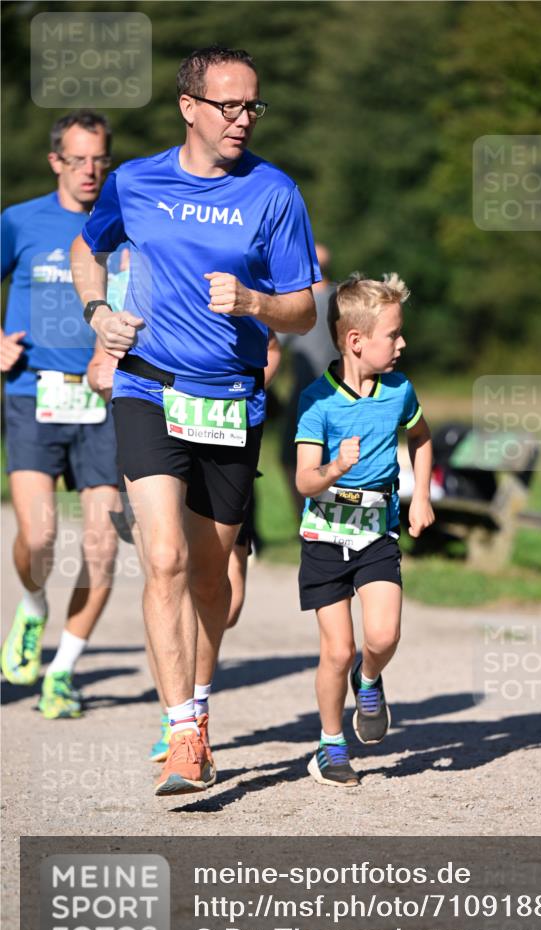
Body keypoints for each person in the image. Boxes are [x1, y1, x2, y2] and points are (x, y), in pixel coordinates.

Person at [71, 46, 320, 796]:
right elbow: (90, 251)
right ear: (189, 107)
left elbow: (305, 306)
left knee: (214, 580)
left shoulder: (273, 192)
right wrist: (99, 315)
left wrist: (255, 305)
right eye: (229, 106)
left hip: (230, 398)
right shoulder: (135, 181)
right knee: (166, 558)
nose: (243, 119)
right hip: (147, 386)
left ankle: (199, 709)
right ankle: (181, 732)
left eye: (252, 107)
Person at [87, 331, 282, 761]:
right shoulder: (132, 276)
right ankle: (179, 723)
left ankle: (197, 703)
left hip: (227, 419)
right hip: (151, 416)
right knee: (165, 566)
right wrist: (101, 373)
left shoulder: (236, 272)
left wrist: (226, 382)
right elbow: (97, 362)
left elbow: (273, 348)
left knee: (220, 598)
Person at [1, 110, 120, 720]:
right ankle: (32, 606)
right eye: (78, 159)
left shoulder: (125, 227)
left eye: (100, 158)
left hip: (105, 402)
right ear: (56, 161)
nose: (90, 170)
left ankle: (63, 672)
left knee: (102, 548)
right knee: (41, 535)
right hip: (32, 393)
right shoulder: (19, 221)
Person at [294, 273, 434, 787]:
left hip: (377, 533)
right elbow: (305, 479)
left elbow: (421, 438)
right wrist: (334, 468)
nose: (402, 343)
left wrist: (420, 495)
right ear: (356, 341)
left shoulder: (399, 392)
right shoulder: (317, 400)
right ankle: (331, 746)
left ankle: (369, 679)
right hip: (325, 539)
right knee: (336, 649)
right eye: (393, 335)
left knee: (382, 634)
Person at [279, 242, 338, 519]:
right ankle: (333, 517)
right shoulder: (343, 298)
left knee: (291, 458)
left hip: (306, 394)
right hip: (345, 391)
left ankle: (305, 518)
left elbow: (274, 344)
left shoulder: (299, 305)